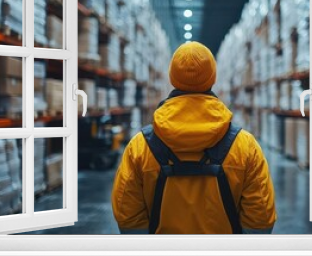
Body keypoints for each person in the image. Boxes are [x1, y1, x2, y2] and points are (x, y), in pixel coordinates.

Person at [112, 42, 277, 234]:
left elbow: (127, 214)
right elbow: (261, 217)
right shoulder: (245, 145)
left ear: (172, 77)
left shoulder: (140, 146)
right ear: (213, 78)